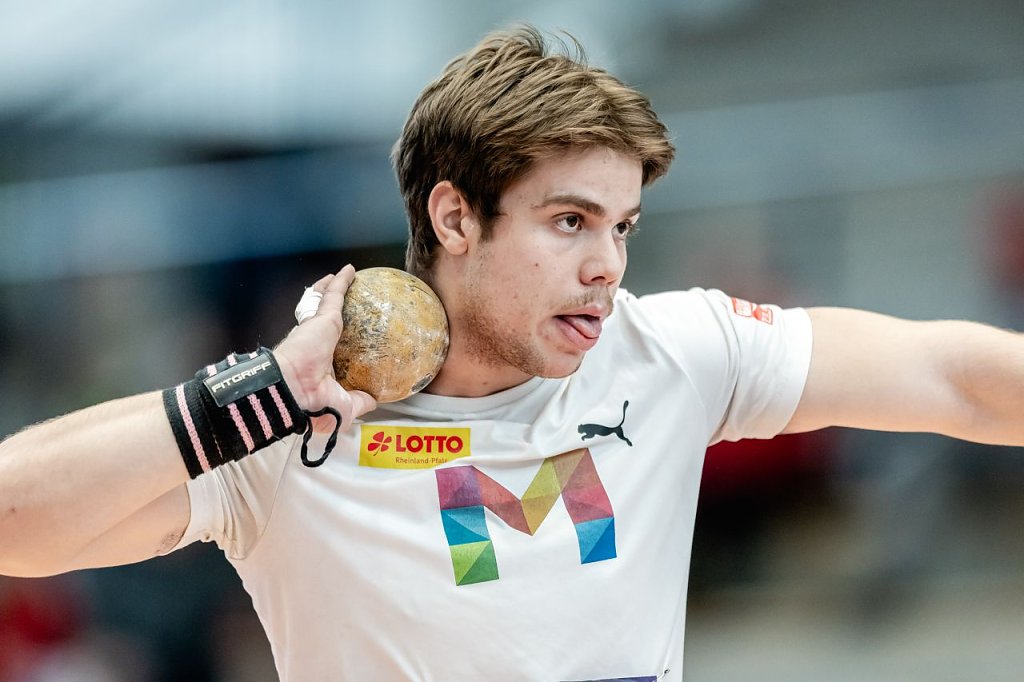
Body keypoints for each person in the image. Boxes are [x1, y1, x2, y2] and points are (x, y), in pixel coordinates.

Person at [1, 25, 1022, 681]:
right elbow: (14, 525)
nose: (607, 265)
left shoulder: (672, 352)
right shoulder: (292, 427)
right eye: (569, 221)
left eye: (621, 226)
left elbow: (954, 380)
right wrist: (257, 393)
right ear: (455, 217)